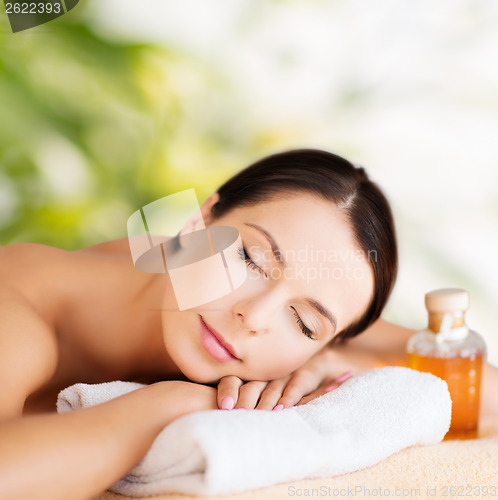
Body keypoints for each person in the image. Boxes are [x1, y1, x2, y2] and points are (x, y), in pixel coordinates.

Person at [0, 149, 496, 500]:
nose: (254, 317)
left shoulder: (286, 325)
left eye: (302, 322)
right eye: (251, 259)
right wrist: (169, 404)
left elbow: (486, 389)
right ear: (199, 222)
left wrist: (329, 357)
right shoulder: (22, 303)